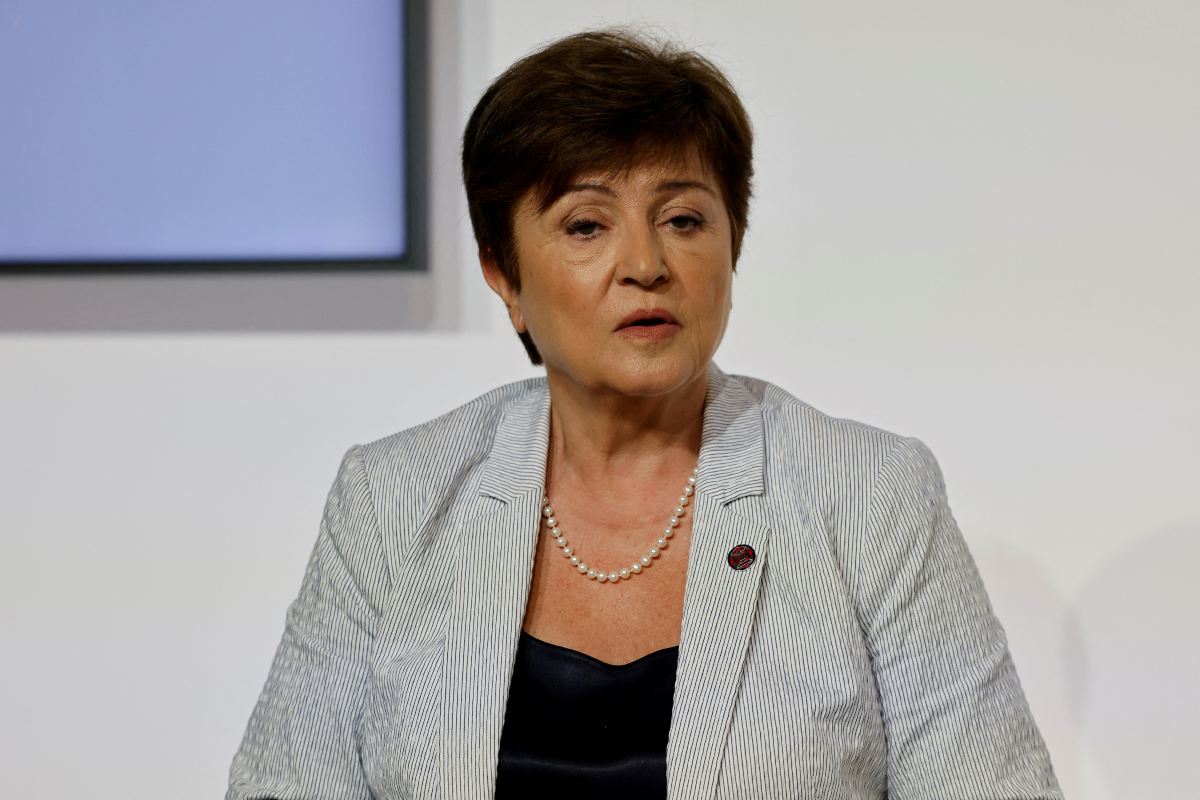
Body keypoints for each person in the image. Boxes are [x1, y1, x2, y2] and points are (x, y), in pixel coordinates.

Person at [226, 29, 1063, 799]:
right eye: (587, 224)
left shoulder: (871, 495)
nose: (646, 264)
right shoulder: (392, 500)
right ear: (504, 275)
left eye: (684, 219)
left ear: (732, 247)